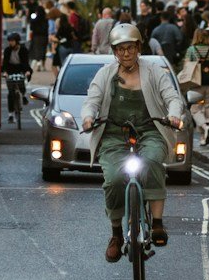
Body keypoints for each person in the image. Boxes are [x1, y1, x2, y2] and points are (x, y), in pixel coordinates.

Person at [80, 23, 188, 262]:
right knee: (115, 179)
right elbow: (92, 99)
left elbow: (172, 97)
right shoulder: (106, 74)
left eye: (130, 48)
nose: (125, 53)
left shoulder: (154, 71)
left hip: (149, 131)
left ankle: (157, 223)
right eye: (120, 49)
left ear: (139, 47)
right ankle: (116, 234)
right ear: (114, 51)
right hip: (114, 136)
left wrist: (174, 114)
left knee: (151, 162)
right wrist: (88, 117)